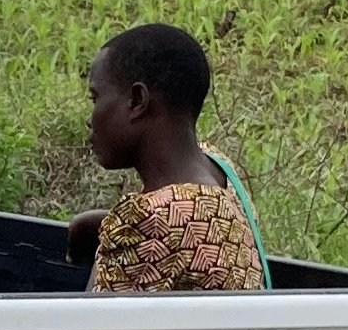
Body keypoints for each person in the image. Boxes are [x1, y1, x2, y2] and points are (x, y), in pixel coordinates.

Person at [72, 21, 269, 294]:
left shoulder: (149, 222)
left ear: (138, 100)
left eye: (96, 98)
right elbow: (192, 232)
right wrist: (103, 223)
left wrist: (115, 236)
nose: (90, 120)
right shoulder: (217, 166)